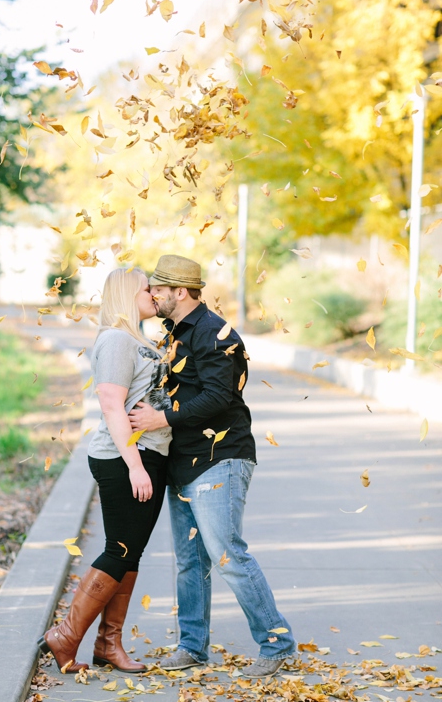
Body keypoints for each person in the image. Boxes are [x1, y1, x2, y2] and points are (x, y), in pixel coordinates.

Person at [128, 254, 295, 679]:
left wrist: (161, 417)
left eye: (159, 291)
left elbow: (221, 396)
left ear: (180, 292)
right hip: (182, 461)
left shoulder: (216, 334)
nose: (153, 296)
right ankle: (192, 646)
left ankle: (278, 644)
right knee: (189, 561)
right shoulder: (173, 334)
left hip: (221, 458)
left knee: (226, 554)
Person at [38, 267, 172, 673]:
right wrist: (134, 465)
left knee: (131, 554)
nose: (155, 294)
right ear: (128, 293)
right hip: (124, 457)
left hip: (148, 454)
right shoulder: (115, 339)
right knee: (121, 550)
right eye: (148, 288)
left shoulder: (137, 339)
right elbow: (112, 406)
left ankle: (108, 645)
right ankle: (65, 636)